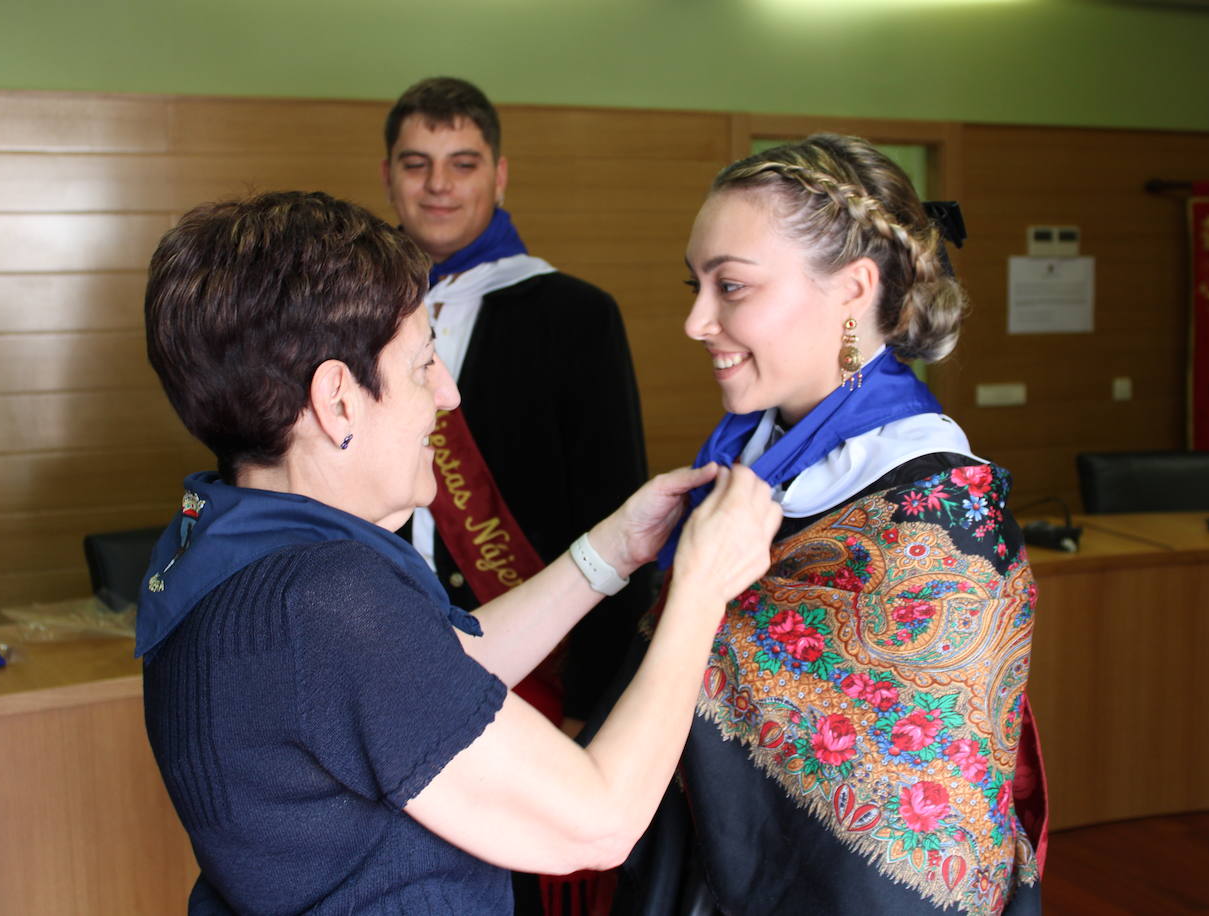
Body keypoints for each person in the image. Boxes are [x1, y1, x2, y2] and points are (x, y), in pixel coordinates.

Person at [136, 190, 781, 914]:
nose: (447, 395)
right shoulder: (318, 606)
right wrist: (700, 586)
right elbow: (596, 823)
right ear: (338, 401)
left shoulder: (237, 548)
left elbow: (437, 672)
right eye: (422, 366)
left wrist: (611, 551)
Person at [608, 135, 1046, 915]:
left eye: (731, 287)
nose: (696, 321)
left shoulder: (939, 518)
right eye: (695, 285)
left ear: (852, 289)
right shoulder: (748, 453)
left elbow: (922, 824)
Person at [380, 76, 652, 733]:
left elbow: (611, 505)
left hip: (533, 668)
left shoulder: (576, 315)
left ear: (499, 176)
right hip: (378, 647)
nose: (438, 185)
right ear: (388, 176)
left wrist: (594, 697)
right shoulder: (352, 310)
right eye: (416, 165)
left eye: (462, 165)